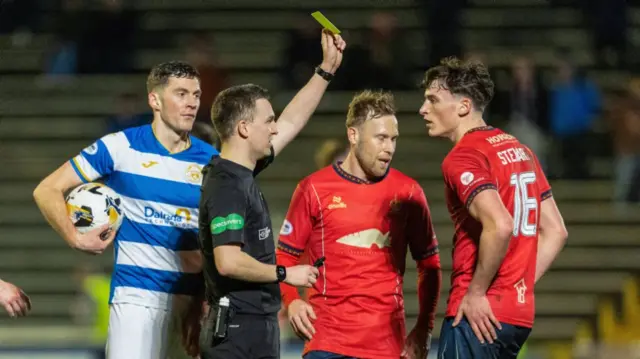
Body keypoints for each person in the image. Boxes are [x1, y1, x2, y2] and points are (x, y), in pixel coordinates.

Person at [33, 61, 217, 359]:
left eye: (196, 94)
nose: (192, 103)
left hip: (191, 303)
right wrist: (75, 237)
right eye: (181, 93)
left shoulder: (213, 161)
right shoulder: (120, 147)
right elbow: (47, 188)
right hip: (136, 299)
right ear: (154, 100)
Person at [198, 29, 346, 359]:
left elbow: (292, 121)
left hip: (253, 325)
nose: (275, 127)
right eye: (268, 121)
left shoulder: (241, 172)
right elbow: (228, 261)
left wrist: (326, 70)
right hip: (237, 332)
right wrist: (285, 273)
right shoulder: (227, 185)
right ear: (244, 128)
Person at [418, 57, 569, 359]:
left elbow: (500, 225)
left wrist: (476, 293)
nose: (423, 109)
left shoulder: (463, 157)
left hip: (476, 315)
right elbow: (556, 231)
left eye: (432, 100)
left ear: (462, 107)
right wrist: (518, 283)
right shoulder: (520, 148)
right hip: (517, 313)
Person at [276, 90, 442, 359]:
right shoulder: (313, 189)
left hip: (386, 345)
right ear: (353, 135)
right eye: (381, 138)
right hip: (327, 342)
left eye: (393, 139)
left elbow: (430, 266)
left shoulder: (408, 192)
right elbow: (285, 254)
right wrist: (292, 300)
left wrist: (424, 327)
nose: (389, 147)